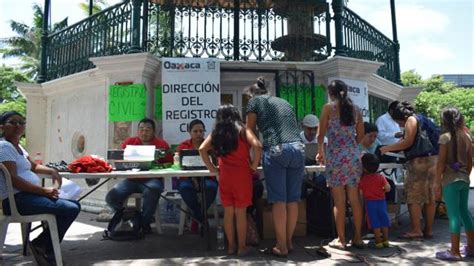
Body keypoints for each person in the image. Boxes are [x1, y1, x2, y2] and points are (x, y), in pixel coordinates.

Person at [0, 111, 81, 265]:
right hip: (17, 200)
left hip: (28, 197)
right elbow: (13, 179)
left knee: (74, 205)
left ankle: (43, 246)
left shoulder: (18, 147)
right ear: (2, 127)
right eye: (12, 122)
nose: (18, 126)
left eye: (21, 122)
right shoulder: (4, 147)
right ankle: (42, 246)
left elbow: (34, 166)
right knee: (70, 208)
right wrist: (44, 191)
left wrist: (51, 171)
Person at [245, 77, 305, 257]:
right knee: (292, 199)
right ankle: (288, 242)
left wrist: (254, 150)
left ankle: (281, 246)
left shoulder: (254, 102)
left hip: (276, 148)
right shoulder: (284, 101)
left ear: (251, 95)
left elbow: (249, 130)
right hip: (298, 148)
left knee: (279, 200)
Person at [200, 104, 262, 256]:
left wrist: (212, 168)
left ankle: (231, 247)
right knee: (241, 212)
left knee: (228, 212)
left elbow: (202, 149)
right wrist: (254, 165)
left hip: (225, 176)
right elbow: (258, 146)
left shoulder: (217, 132)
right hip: (242, 176)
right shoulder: (243, 130)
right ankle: (242, 247)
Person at [316, 79, 364, 249]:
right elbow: (361, 136)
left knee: (339, 201)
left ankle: (341, 239)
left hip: (335, 157)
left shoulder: (329, 108)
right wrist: (350, 146)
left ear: (330, 93)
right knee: (355, 199)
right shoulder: (356, 109)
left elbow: (320, 135)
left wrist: (321, 151)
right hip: (353, 157)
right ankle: (358, 237)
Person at [380, 102, 437, 240]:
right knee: (429, 197)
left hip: (419, 162)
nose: (399, 125)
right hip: (433, 159)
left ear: (401, 117)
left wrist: (387, 148)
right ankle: (428, 230)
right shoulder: (422, 118)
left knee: (413, 197)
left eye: (399, 122)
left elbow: (408, 142)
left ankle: (416, 230)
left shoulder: (411, 120)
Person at [105, 118, 173, 234]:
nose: (144, 132)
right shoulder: (129, 143)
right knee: (111, 197)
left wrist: (156, 164)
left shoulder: (162, 144)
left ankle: (143, 223)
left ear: (153, 131)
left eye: (147, 130)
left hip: (152, 179)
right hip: (131, 180)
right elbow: (120, 159)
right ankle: (128, 217)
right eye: (141, 129)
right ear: (138, 131)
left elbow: (170, 163)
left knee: (153, 189)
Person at [433, 107, 474, 261]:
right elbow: (470, 162)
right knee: (464, 212)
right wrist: (465, 175)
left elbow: (441, 163)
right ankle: (471, 247)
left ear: (444, 121)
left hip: (450, 180)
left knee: (453, 215)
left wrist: (437, 182)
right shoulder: (467, 136)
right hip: (464, 179)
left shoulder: (445, 137)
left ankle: (454, 251)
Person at [177, 119, 218, 233]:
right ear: (189, 132)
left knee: (211, 188)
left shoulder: (210, 145)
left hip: (207, 177)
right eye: (195, 131)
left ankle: (196, 218)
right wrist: (193, 178)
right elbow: (179, 165)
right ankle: (201, 218)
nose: (199, 134)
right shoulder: (183, 146)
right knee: (185, 188)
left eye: (201, 131)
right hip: (188, 178)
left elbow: (216, 163)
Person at [359, 153, 391, 249]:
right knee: (384, 221)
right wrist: (382, 190)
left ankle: (378, 242)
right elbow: (388, 188)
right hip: (381, 202)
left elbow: (361, 193)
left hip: (370, 203)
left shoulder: (363, 180)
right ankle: (386, 240)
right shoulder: (381, 177)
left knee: (375, 223)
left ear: (364, 168)